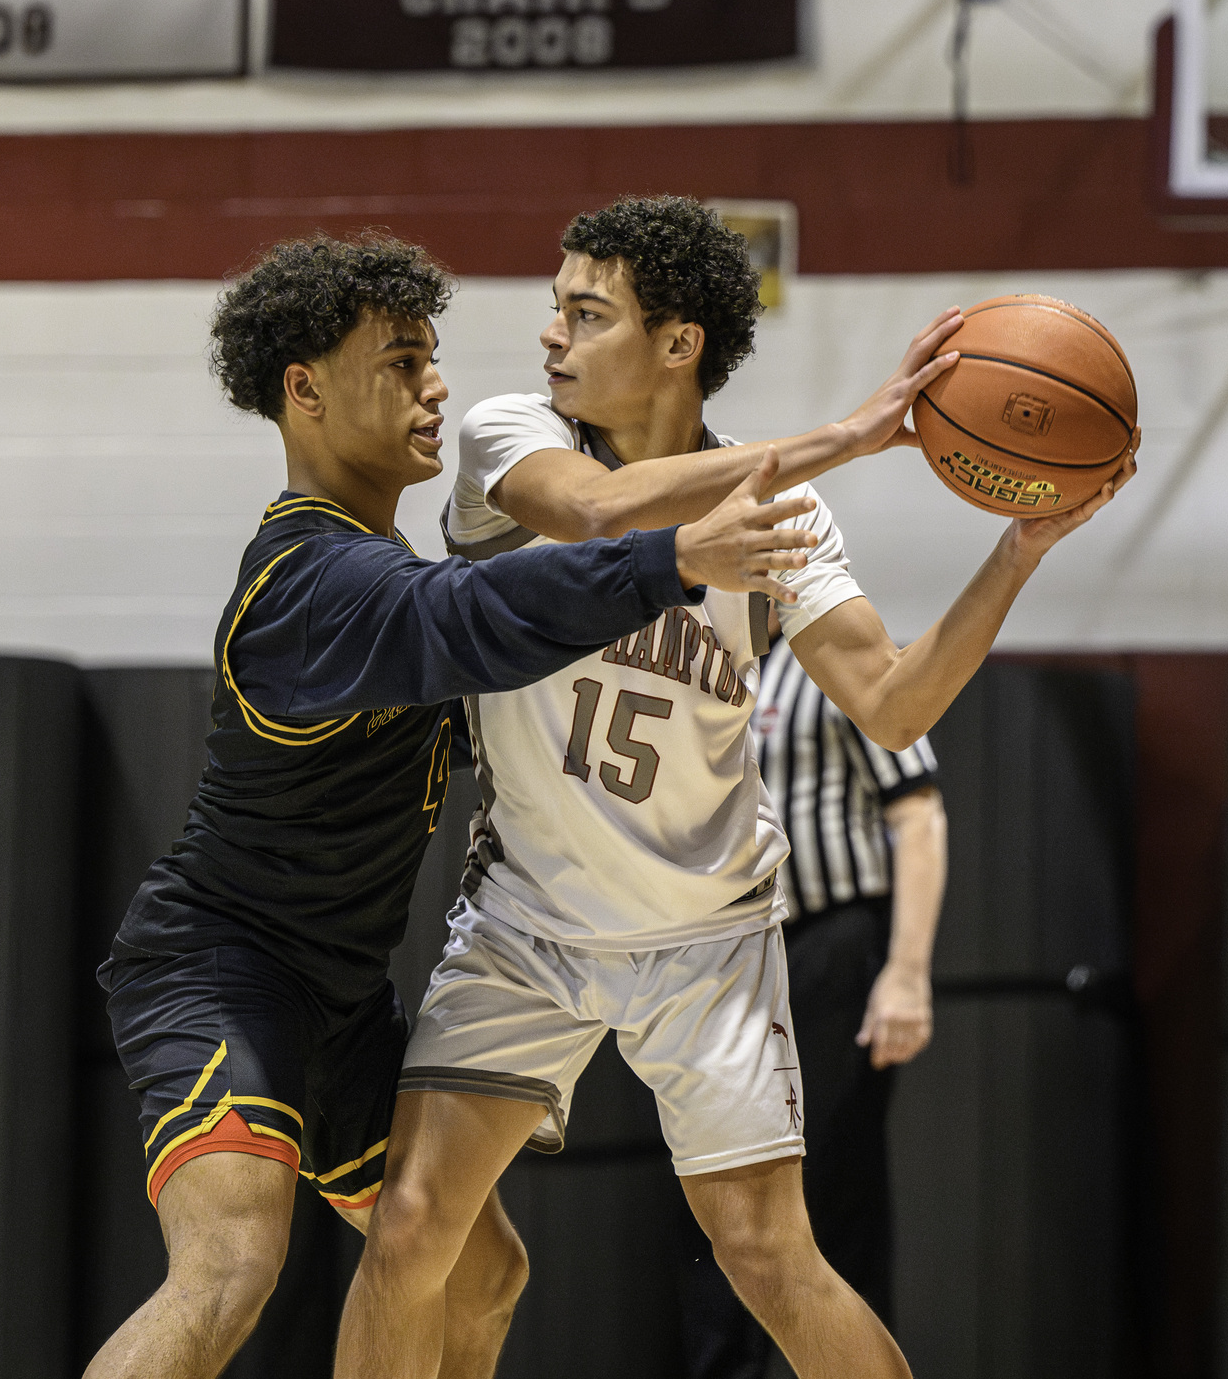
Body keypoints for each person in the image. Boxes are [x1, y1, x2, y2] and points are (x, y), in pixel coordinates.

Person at [334, 196, 1137, 1379]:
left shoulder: (787, 519)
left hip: (704, 941)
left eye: (586, 312)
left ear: (677, 344)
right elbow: (602, 510)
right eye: (557, 308)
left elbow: (896, 702)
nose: (551, 335)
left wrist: (1017, 553)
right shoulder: (511, 439)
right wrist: (853, 434)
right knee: (409, 1230)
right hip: (526, 925)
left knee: (768, 1258)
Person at [84, 230, 817, 1379]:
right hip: (226, 971)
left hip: (344, 999)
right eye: (401, 360)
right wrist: (674, 558)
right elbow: (472, 619)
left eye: (434, 359)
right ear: (305, 389)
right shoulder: (309, 581)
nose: (436, 386)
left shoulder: (384, 559)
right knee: (230, 1266)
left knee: (482, 1270)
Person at [676, 612, 948, 1379]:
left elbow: (919, 816)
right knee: (712, 1187)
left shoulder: (838, 660)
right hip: (720, 952)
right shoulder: (699, 659)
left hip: (829, 942)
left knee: (827, 1181)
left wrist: (907, 971)